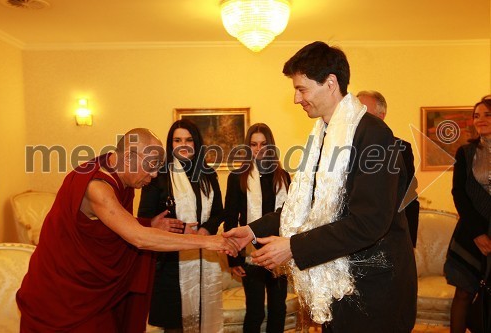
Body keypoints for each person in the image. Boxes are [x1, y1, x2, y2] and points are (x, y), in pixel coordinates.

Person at [223, 41, 417, 332]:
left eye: (301, 89)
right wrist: (252, 230)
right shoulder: (322, 137)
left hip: (374, 293)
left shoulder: (373, 134)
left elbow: (370, 222)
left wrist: (292, 247)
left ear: (330, 83)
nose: (295, 99)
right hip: (340, 290)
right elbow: (304, 209)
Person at [16, 128, 236, 333]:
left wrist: (148, 224)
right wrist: (209, 242)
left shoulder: (121, 180)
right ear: (130, 157)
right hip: (62, 296)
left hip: (99, 295)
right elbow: (138, 238)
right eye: (150, 168)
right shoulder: (96, 186)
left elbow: (116, 224)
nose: (152, 176)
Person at [138, 120, 224, 333]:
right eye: (177, 140)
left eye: (188, 140)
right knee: (174, 326)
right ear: (171, 143)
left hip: (205, 260)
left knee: (205, 320)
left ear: (196, 143)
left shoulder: (208, 175)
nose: (183, 145)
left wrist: (204, 231)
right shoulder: (159, 176)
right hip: (170, 265)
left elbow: (218, 212)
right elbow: (144, 218)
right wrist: (169, 227)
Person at [224, 123, 291, 333]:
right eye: (254, 144)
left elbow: (290, 217)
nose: (258, 149)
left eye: (263, 144)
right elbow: (230, 220)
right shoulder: (237, 178)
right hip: (250, 256)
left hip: (277, 253)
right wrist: (233, 259)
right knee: (255, 311)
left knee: (277, 309)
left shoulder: (283, 176)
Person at [444, 95, 491, 333]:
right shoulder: (465, 152)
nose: (480, 120)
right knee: (463, 293)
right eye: (476, 115)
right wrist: (478, 233)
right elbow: (459, 194)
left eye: (487, 114)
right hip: (471, 234)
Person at [356, 90, 420, 247]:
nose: (356, 117)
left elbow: (408, 196)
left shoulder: (401, 148)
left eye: (363, 111)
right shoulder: (342, 148)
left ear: (381, 116)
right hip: (354, 236)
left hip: (391, 238)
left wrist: (409, 243)